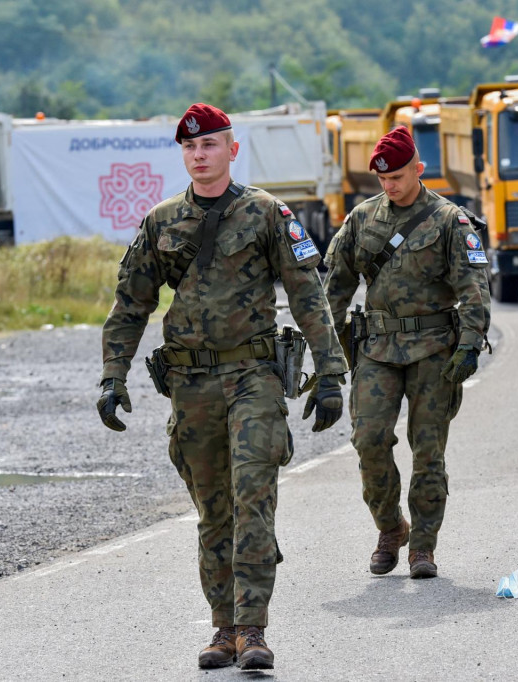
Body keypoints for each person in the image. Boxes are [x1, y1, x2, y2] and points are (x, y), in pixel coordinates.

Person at [96, 103, 347, 670]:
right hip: (189, 385)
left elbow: (309, 295)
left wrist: (330, 374)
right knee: (213, 511)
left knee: (252, 497)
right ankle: (223, 627)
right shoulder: (162, 222)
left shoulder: (266, 214)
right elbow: (130, 305)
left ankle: (253, 631)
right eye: (189, 148)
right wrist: (113, 376)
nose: (198, 155)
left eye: (209, 145)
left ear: (232, 150)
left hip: (252, 377)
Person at [322, 126, 490, 579]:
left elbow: (474, 290)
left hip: (435, 348)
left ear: (418, 168)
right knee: (369, 440)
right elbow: (333, 289)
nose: (390, 186)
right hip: (377, 349)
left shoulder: (449, 220)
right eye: (383, 179)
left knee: (428, 450)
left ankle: (424, 547)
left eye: (398, 176)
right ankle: (391, 527)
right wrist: (328, 353)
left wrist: (471, 345)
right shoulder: (362, 219)